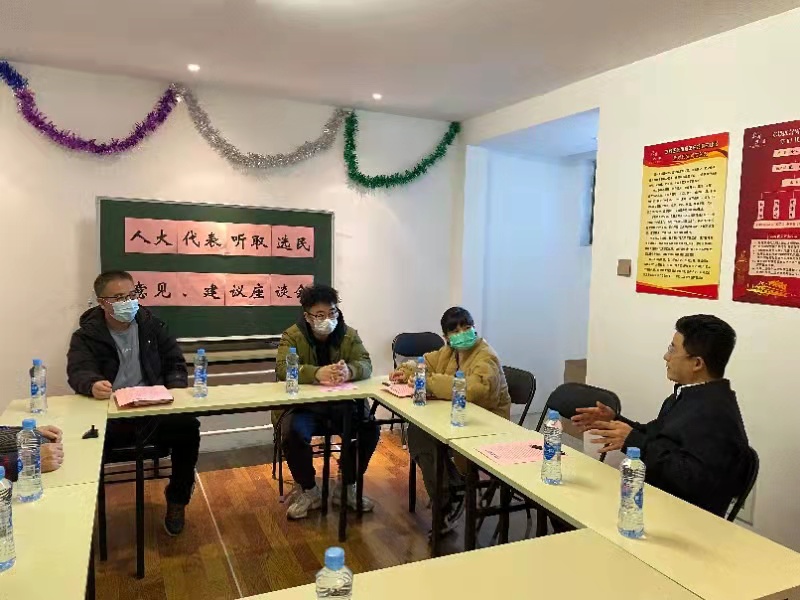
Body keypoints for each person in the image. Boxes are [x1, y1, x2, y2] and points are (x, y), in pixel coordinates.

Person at [572, 314, 750, 517]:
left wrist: (633, 441)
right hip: (655, 499)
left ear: (697, 363)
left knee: (581, 508)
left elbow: (692, 480)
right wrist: (614, 422)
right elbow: (654, 435)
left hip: (681, 517)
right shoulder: (688, 395)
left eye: (673, 349)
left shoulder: (715, 414)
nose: (666, 356)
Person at [67, 271, 200, 536]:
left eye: (131, 295)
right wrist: (92, 384)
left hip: (153, 410)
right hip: (111, 415)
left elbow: (175, 363)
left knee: (188, 428)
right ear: (102, 302)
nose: (127, 302)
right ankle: (84, 517)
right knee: (83, 446)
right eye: (118, 297)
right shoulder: (86, 336)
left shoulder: (153, 327)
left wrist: (174, 390)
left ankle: (177, 499)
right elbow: (78, 371)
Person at [390, 307, 511, 534]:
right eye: (455, 330)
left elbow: (475, 390)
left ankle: (448, 498)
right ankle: (449, 494)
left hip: (486, 426)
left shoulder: (486, 355)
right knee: (418, 433)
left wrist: (430, 381)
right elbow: (425, 362)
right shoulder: (449, 351)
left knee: (427, 438)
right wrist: (407, 370)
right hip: (455, 418)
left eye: (467, 327)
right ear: (446, 337)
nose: (463, 333)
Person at [274, 284, 379, 520]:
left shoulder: (349, 334)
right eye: (320, 315)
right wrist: (316, 373)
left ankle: (347, 487)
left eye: (332, 312)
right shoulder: (292, 335)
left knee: (370, 429)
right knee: (292, 434)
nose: (328, 319)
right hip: (305, 408)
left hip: (342, 405)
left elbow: (365, 363)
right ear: (307, 317)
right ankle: (309, 490)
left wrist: (350, 371)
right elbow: (282, 369)